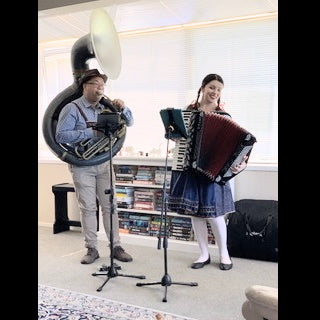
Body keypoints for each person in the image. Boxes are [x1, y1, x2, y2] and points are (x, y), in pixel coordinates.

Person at [167, 74, 248, 271]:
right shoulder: (188, 112)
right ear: (203, 87)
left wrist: (242, 163)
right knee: (195, 214)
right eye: (212, 87)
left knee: (215, 215)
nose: (215, 92)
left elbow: (237, 145)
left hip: (213, 171)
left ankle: (223, 254)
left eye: (219, 90)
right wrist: (174, 136)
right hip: (189, 169)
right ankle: (203, 254)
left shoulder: (224, 117)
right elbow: (175, 137)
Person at [55, 69, 134, 264]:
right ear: (85, 86)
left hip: (104, 163)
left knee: (111, 206)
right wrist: (92, 133)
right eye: (96, 84)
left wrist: (123, 109)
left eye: (102, 85)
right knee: (88, 208)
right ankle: (91, 248)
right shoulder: (71, 108)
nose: (100, 88)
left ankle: (116, 246)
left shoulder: (105, 108)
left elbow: (129, 123)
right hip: (82, 165)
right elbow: (61, 136)